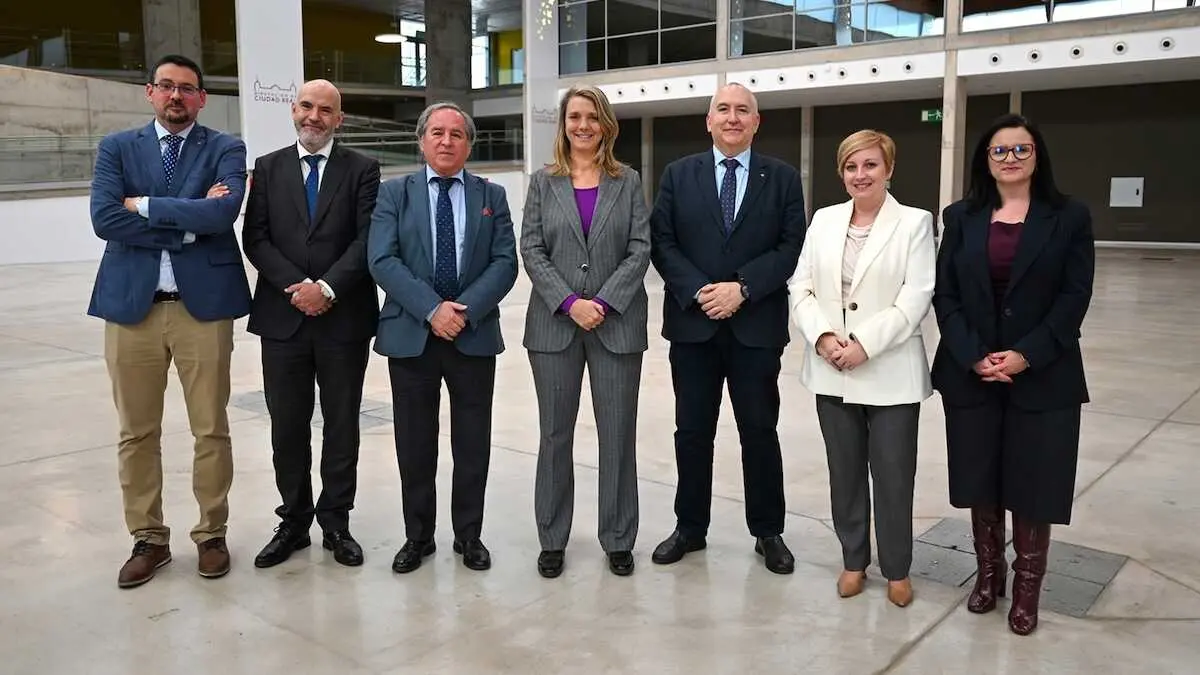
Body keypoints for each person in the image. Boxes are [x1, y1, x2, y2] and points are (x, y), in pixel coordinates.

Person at [88, 54, 250, 588]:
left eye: (187, 88)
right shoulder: (117, 148)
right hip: (132, 306)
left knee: (211, 428)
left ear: (202, 97)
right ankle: (149, 538)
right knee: (136, 432)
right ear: (149, 93)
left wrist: (143, 206)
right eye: (166, 86)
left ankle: (211, 533)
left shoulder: (226, 146)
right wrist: (183, 220)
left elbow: (221, 215)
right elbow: (104, 218)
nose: (176, 96)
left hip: (201, 308)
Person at [932, 113, 1095, 635]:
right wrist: (972, 354)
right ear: (986, 159)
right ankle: (988, 576)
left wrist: (1026, 355)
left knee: (1033, 484)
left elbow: (1075, 296)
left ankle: (1027, 589)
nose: (1010, 159)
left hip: (1044, 375)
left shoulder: (1069, 217)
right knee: (981, 478)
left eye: (1020, 150)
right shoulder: (961, 216)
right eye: (1000, 151)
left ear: (1037, 155)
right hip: (971, 372)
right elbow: (946, 294)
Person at [649, 82, 806, 574]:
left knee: (759, 431)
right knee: (692, 432)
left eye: (743, 110)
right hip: (693, 328)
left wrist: (742, 288)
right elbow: (663, 241)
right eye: (723, 109)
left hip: (755, 327)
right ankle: (690, 528)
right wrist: (699, 289)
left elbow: (790, 244)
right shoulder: (679, 174)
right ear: (708, 120)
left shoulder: (781, 178)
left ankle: (768, 531)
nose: (733, 117)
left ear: (756, 122)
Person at [368, 102, 518, 574]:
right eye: (438, 132)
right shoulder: (395, 194)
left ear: (469, 144)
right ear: (422, 140)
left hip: (471, 335)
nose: (447, 141)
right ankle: (418, 536)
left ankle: (469, 536)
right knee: (415, 443)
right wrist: (432, 310)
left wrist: (462, 311)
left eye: (457, 134)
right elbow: (382, 260)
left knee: (473, 442)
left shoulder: (491, 195)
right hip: (412, 335)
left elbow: (505, 262)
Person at [787, 130, 935, 606]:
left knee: (893, 476)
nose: (860, 175)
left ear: (889, 169)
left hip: (889, 370)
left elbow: (915, 296)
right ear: (841, 173)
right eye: (851, 167)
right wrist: (825, 338)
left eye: (870, 165)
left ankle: (896, 569)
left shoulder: (914, 223)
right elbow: (801, 286)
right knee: (844, 473)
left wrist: (864, 345)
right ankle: (854, 560)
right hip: (832, 367)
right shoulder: (824, 221)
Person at [242, 79, 381, 569]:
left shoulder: (363, 169)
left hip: (343, 317)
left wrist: (325, 288)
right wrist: (296, 287)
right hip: (283, 318)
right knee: (287, 426)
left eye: (326, 110)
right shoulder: (267, 168)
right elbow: (255, 239)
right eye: (306, 106)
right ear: (292, 109)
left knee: (342, 425)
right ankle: (294, 521)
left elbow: (368, 240)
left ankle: (336, 523)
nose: (314, 117)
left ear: (338, 120)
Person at [520, 85, 651, 579]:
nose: (583, 126)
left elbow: (640, 248)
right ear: (563, 124)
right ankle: (552, 537)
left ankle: (618, 538)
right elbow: (531, 248)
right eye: (575, 116)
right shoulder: (542, 182)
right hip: (555, 326)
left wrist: (603, 301)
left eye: (592, 117)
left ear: (606, 125)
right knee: (555, 435)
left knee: (617, 435)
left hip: (616, 325)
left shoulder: (628, 181)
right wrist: (571, 302)